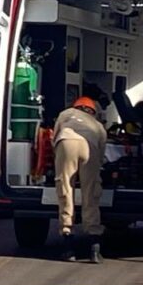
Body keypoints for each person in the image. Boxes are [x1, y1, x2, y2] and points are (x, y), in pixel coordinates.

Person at [53, 96, 108, 263]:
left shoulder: (66, 114)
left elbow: (54, 136)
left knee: (65, 189)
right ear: (92, 111)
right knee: (90, 193)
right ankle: (94, 248)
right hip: (89, 146)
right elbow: (101, 155)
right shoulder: (98, 125)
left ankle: (68, 242)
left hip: (66, 141)